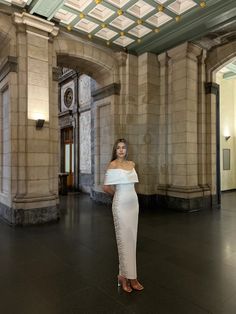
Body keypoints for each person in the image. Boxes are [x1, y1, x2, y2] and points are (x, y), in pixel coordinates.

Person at [103, 138, 144, 293]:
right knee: (123, 240)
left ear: (127, 150)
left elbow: (133, 184)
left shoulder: (132, 164)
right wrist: (117, 196)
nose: (121, 150)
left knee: (132, 240)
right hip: (120, 205)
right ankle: (125, 277)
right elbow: (106, 187)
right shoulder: (112, 165)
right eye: (118, 147)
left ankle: (131, 277)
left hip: (134, 205)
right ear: (115, 150)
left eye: (123, 147)